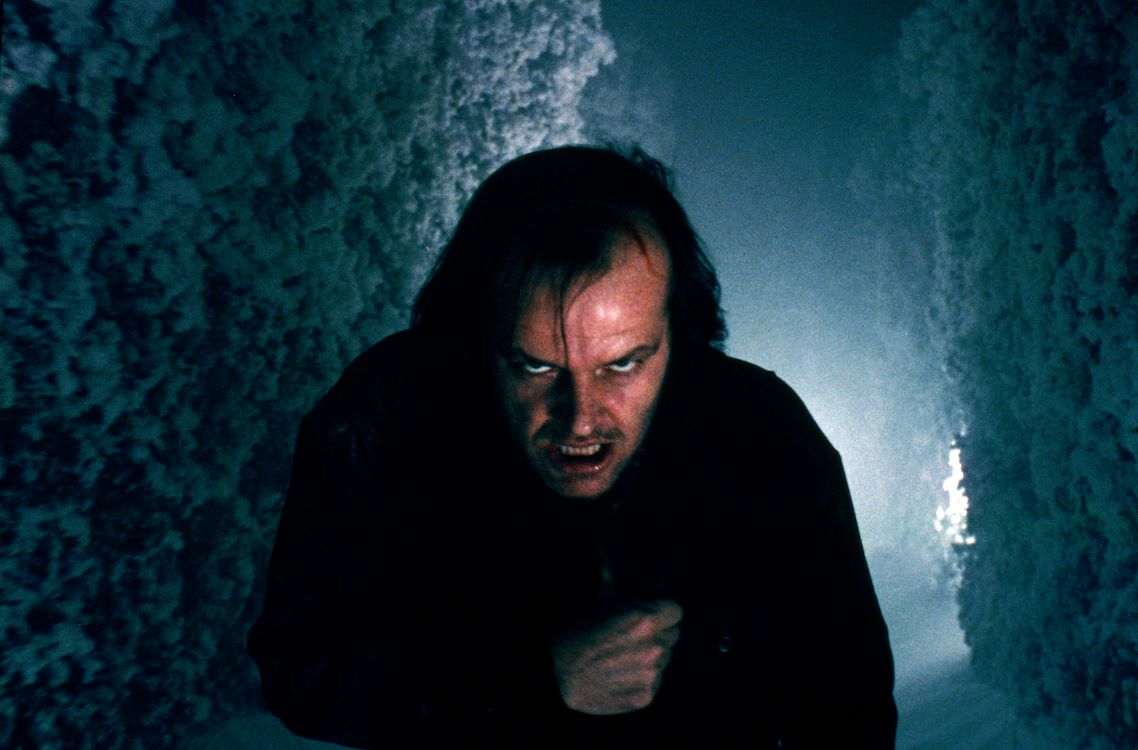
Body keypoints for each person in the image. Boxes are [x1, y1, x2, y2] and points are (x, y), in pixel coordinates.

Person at [248, 145, 897, 747]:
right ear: (477, 338)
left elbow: (849, 708)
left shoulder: (762, 436)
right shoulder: (385, 418)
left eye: (623, 364)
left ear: (677, 334)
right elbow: (298, 664)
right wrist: (531, 675)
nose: (580, 419)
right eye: (534, 366)